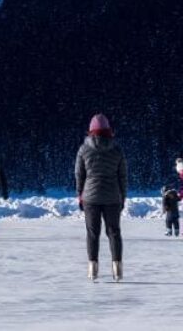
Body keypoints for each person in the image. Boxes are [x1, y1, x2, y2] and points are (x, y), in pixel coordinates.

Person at [75, 113, 127, 282]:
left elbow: (79, 175)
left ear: (91, 131)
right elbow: (122, 176)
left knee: (92, 233)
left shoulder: (84, 149)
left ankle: (92, 269)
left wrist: (80, 195)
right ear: (108, 130)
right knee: (114, 232)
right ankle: (117, 269)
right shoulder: (117, 149)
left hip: (90, 197)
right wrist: (122, 197)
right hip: (112, 197)